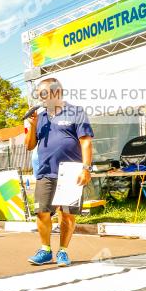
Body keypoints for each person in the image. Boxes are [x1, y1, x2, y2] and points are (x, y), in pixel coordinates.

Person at [24, 77, 93, 267]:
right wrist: (32, 125)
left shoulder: (76, 112)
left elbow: (86, 142)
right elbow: (29, 146)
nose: (40, 98)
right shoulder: (40, 117)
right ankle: (45, 250)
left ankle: (63, 251)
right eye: (38, 95)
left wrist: (86, 168)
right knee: (42, 212)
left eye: (43, 94)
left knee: (67, 214)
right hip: (46, 171)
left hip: (71, 172)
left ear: (57, 92)